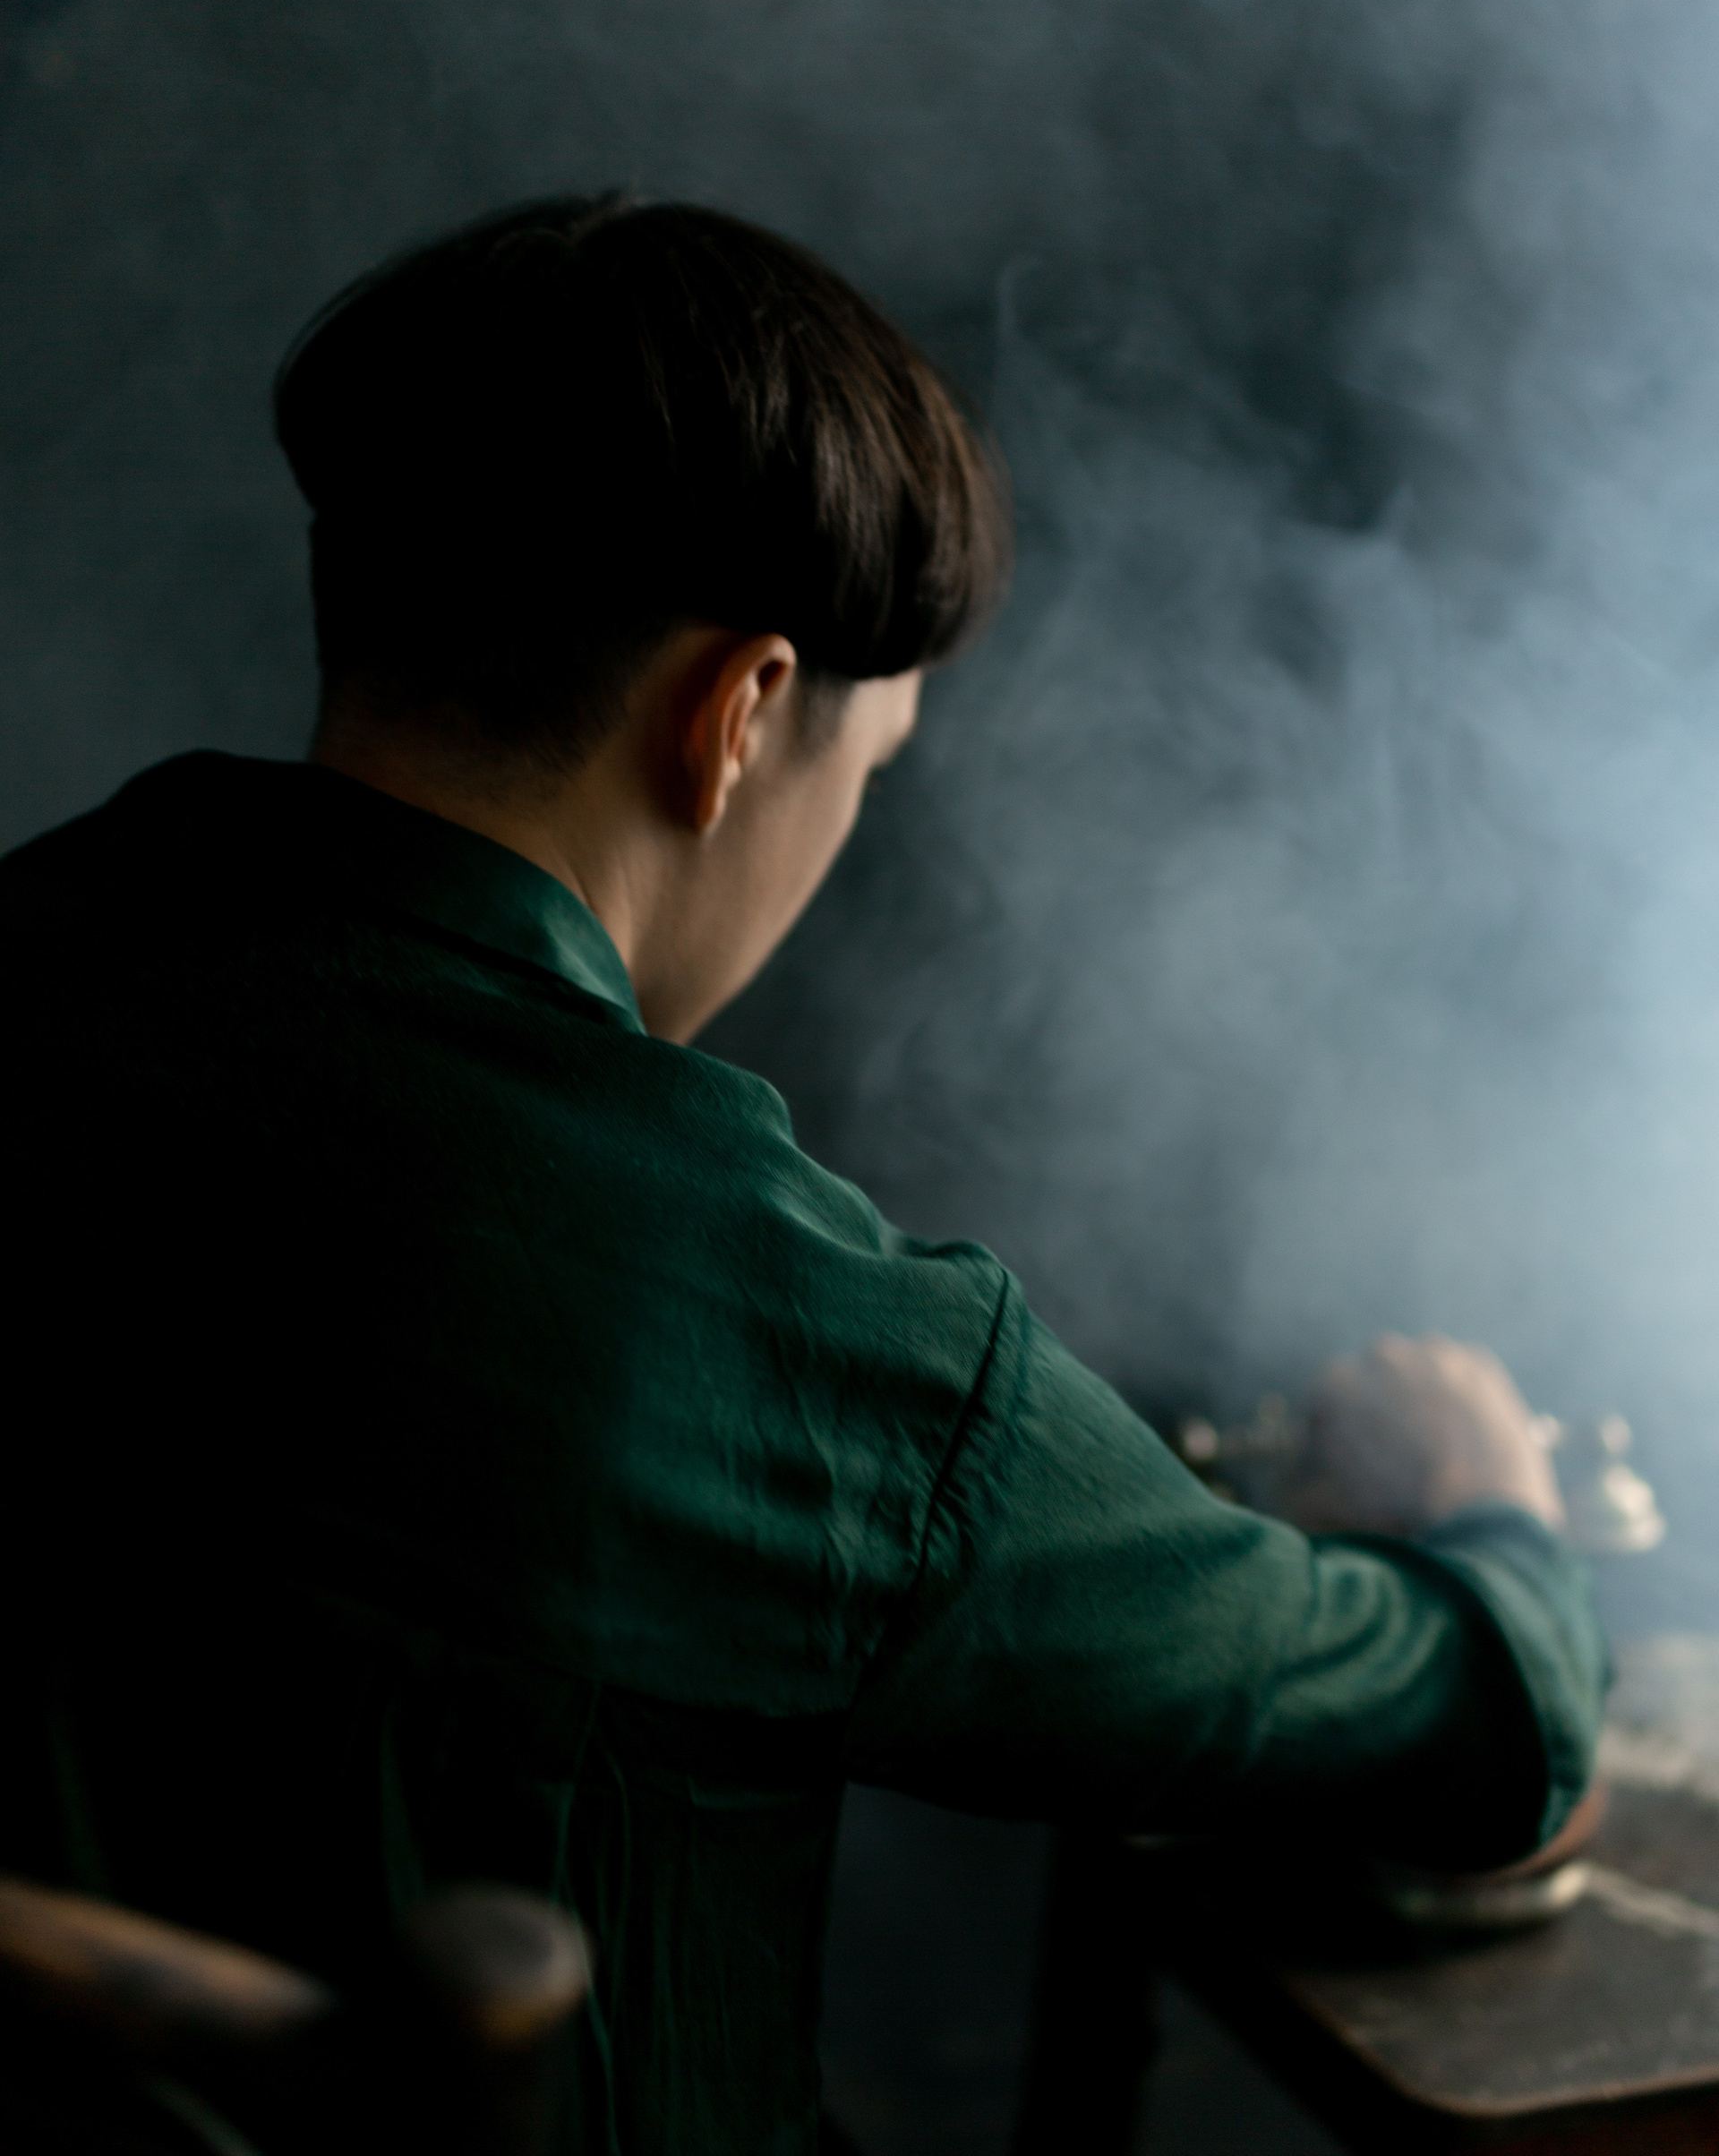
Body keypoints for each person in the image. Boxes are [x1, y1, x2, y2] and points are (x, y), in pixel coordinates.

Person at [0, 196, 1605, 2155]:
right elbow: (1482, 1735)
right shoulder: (745, 1309)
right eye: (870, 766)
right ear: (741, 713)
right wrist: (1494, 1513)